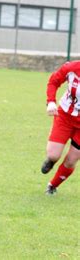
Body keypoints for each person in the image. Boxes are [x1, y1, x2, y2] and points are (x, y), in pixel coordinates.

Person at [41, 61, 80, 195]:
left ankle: (52, 185)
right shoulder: (71, 68)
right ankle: (51, 161)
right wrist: (51, 101)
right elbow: (53, 81)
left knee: (71, 161)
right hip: (65, 116)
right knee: (53, 154)